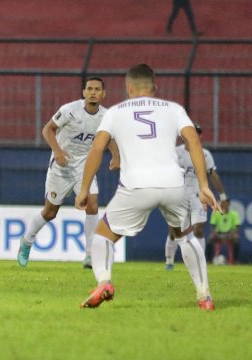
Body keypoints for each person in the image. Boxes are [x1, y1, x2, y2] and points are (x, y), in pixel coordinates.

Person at [75, 63, 220, 311]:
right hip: (173, 185)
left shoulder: (115, 112)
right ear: (155, 87)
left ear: (128, 87)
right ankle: (204, 295)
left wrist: (84, 189)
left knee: (102, 236)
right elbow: (193, 140)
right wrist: (204, 185)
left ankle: (105, 282)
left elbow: (97, 149)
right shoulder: (174, 109)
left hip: (136, 186)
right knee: (185, 237)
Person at [17, 77, 118, 269]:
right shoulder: (69, 110)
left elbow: (109, 137)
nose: (93, 92)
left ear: (103, 94)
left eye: (97, 89)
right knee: (50, 212)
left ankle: (89, 255)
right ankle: (27, 241)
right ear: (84, 92)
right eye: (89, 89)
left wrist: (116, 155)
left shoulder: (106, 116)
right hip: (62, 166)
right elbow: (48, 130)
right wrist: (57, 151)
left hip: (85, 166)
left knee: (92, 204)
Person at [164, 122, 227, 270]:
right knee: (174, 231)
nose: (195, 135)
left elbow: (213, 174)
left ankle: (200, 261)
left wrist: (222, 196)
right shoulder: (175, 152)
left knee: (198, 229)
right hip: (177, 194)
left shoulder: (204, 154)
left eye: (197, 133)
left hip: (198, 195)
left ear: (200, 136)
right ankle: (169, 261)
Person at [207, 200, 240, 265]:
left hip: (230, 234)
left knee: (236, 239)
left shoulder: (234, 214)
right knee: (210, 239)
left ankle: (235, 261)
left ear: (229, 205)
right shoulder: (215, 213)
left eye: (226, 204)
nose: (224, 206)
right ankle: (209, 260)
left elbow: (237, 228)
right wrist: (217, 235)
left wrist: (230, 235)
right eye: (222, 204)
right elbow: (212, 226)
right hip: (218, 234)